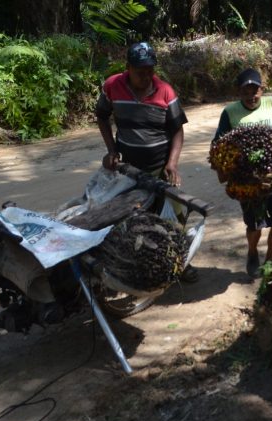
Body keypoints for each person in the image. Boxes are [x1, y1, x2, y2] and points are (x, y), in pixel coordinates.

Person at [96, 41, 198, 282]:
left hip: (159, 168)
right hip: (128, 170)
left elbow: (177, 131)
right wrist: (111, 150)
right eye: (140, 71)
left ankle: (181, 263)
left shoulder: (165, 92)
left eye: (150, 70)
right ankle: (134, 266)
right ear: (127, 68)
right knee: (129, 220)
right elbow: (102, 117)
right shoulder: (113, 86)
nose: (146, 76)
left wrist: (172, 163)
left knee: (174, 218)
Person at [213, 68, 272, 278]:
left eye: (254, 91)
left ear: (262, 90)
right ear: (239, 92)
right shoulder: (230, 112)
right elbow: (217, 144)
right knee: (254, 225)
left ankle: (269, 263)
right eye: (245, 92)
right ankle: (252, 251)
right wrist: (222, 169)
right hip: (246, 179)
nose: (251, 96)